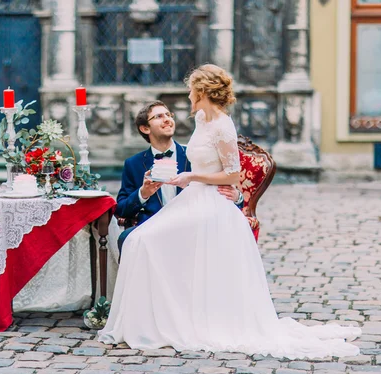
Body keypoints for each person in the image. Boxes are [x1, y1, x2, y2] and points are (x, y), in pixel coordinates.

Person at [98, 64, 361, 358]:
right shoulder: (200, 118)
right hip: (194, 200)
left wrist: (192, 177)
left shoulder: (224, 125)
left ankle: (168, 323)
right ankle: (156, 319)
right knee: (137, 239)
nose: (187, 95)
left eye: (191, 89)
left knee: (142, 240)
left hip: (209, 204)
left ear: (202, 91)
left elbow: (233, 175)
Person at [116, 100, 242, 252]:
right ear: (145, 128)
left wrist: (237, 197)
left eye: (169, 115)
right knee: (126, 239)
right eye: (159, 116)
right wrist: (143, 194)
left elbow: (221, 192)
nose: (167, 119)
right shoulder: (133, 164)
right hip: (153, 227)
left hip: (192, 226)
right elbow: (121, 210)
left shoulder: (195, 157)